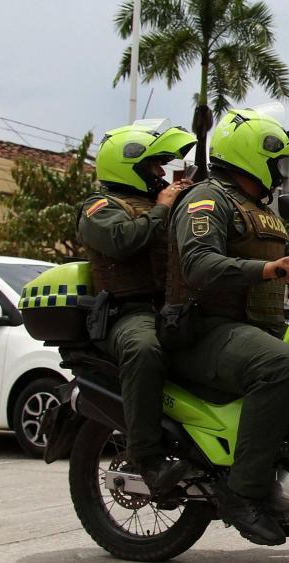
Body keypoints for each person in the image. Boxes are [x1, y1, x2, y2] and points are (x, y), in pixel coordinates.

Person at [164, 106, 289, 545]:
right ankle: (243, 493)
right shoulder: (207, 199)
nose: (279, 172)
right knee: (282, 367)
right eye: (275, 161)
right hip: (204, 330)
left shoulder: (259, 211)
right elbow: (198, 264)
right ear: (252, 155)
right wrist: (268, 270)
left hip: (251, 330)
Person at [77, 120, 197, 496]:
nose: (160, 173)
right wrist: (162, 209)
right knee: (144, 349)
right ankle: (147, 459)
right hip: (129, 313)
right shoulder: (100, 207)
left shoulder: (162, 207)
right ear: (126, 165)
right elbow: (122, 240)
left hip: (172, 309)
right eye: (153, 166)